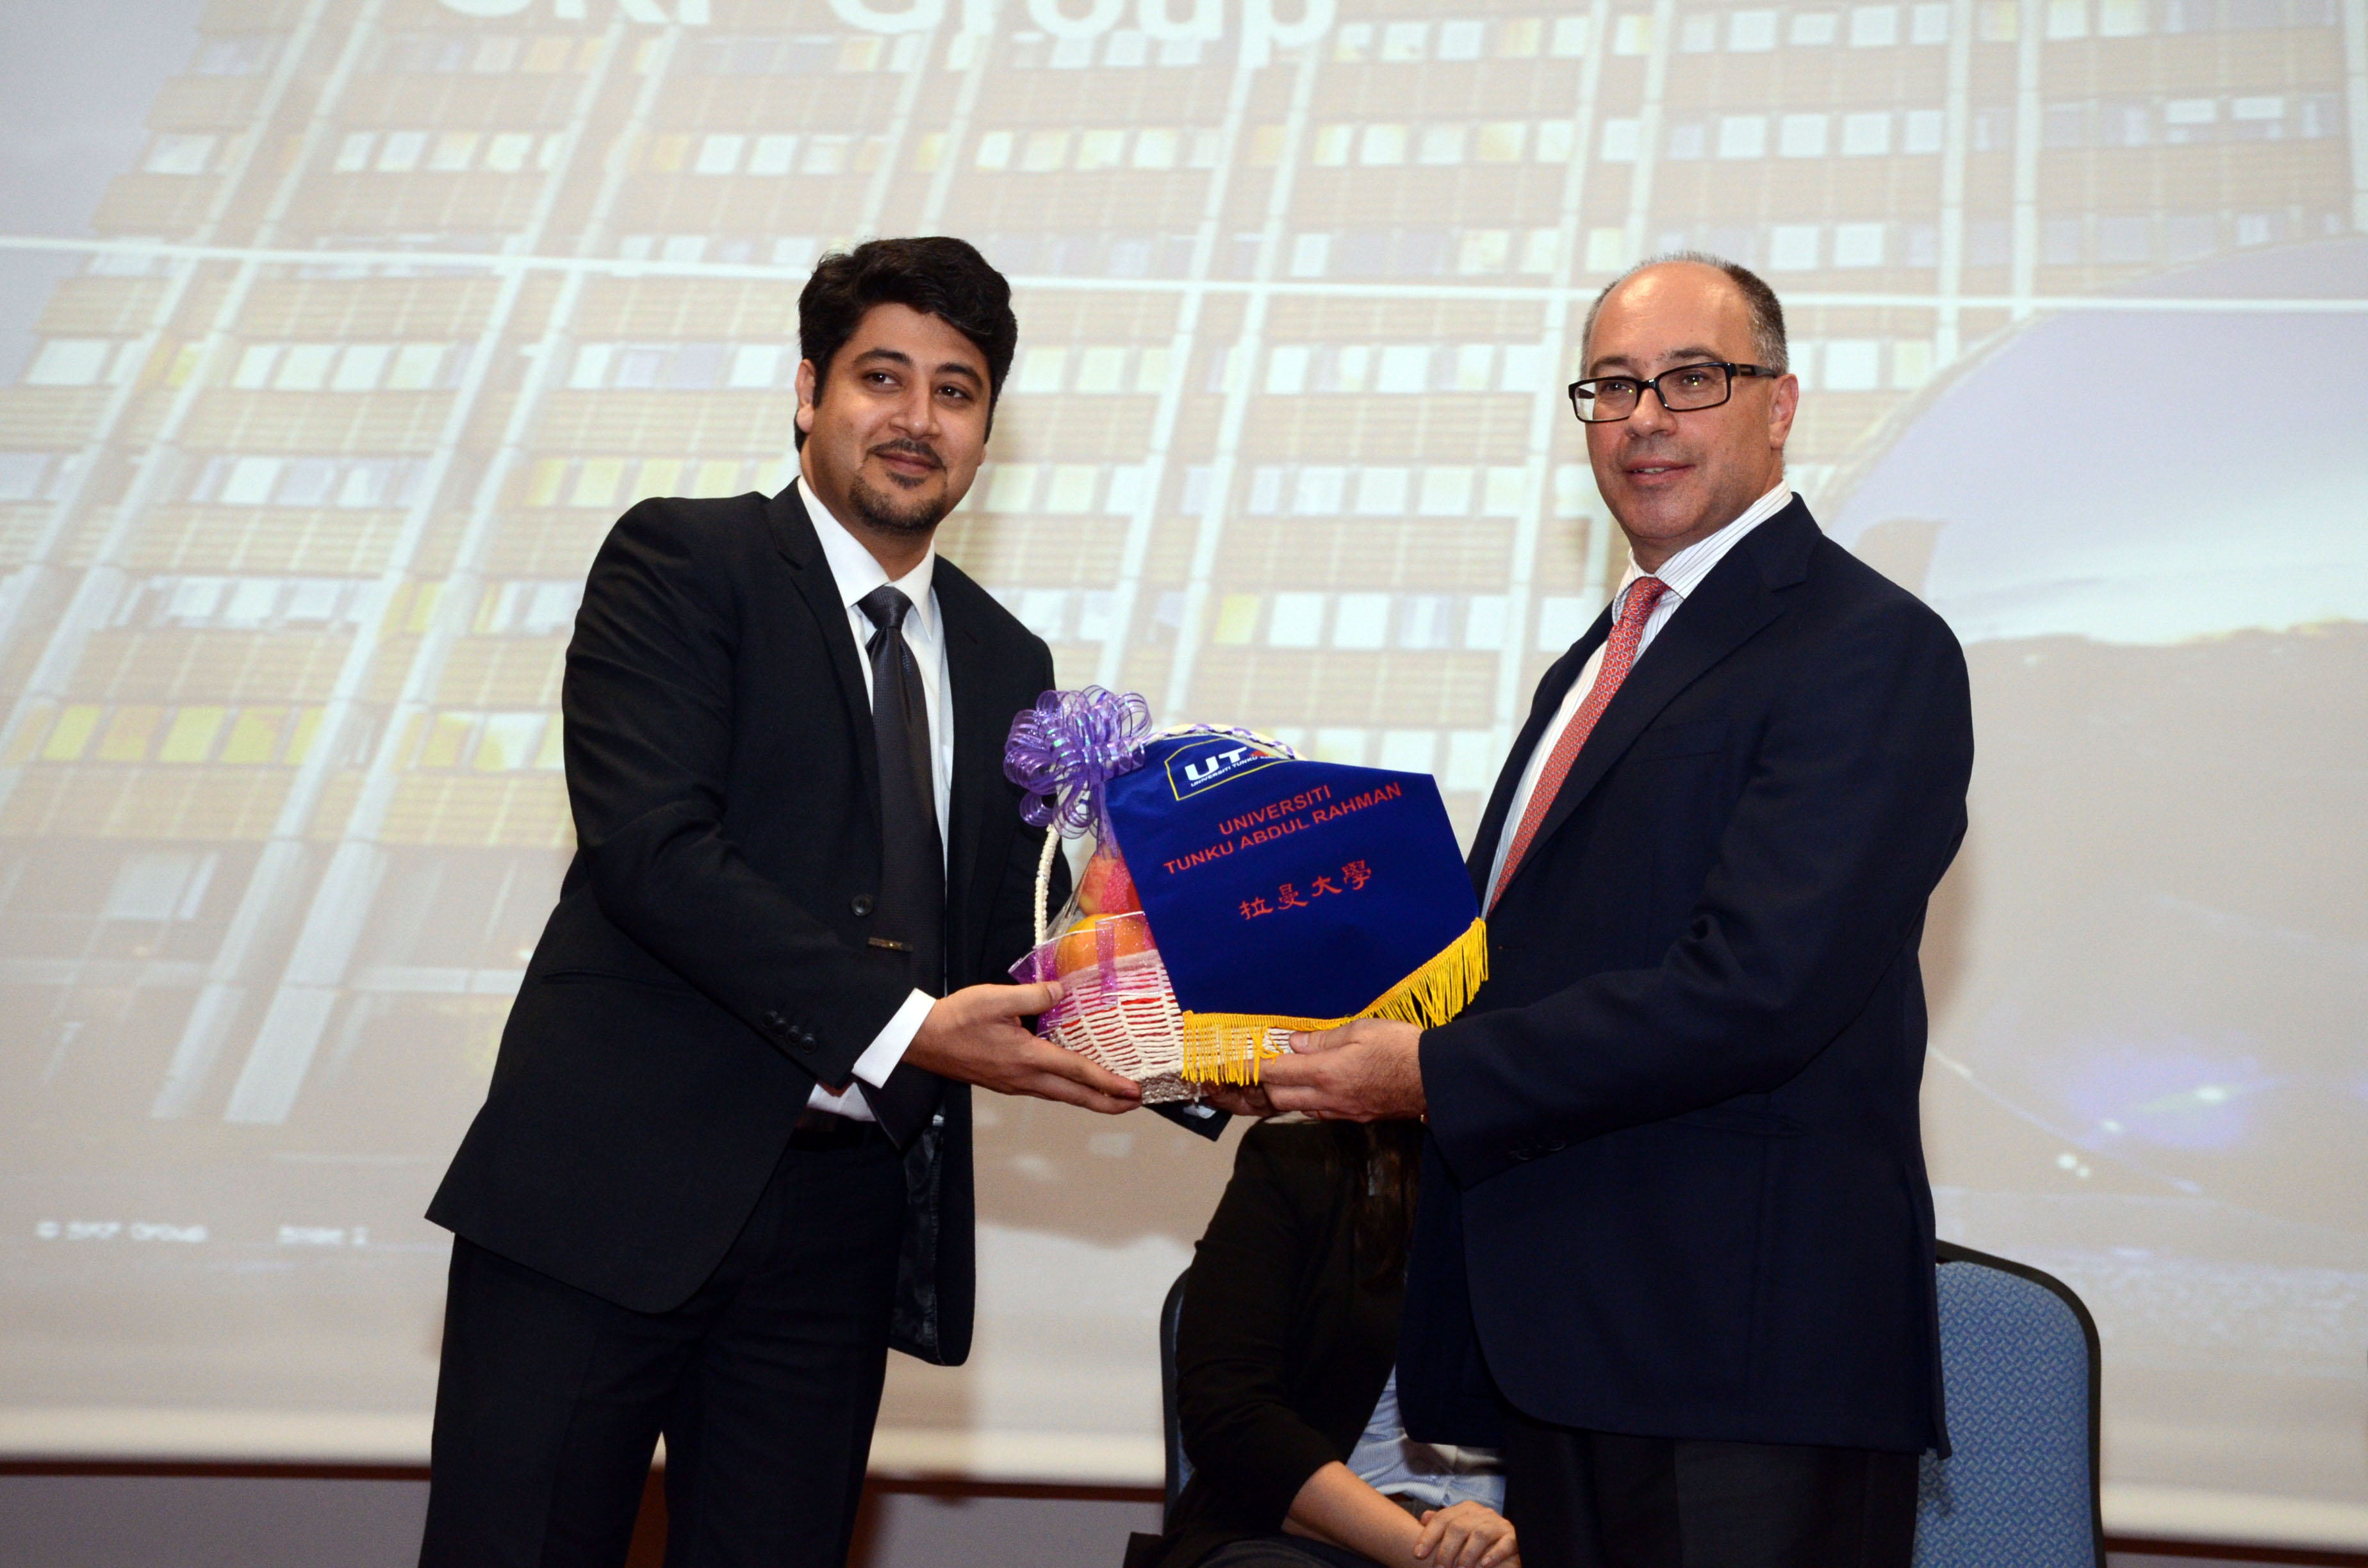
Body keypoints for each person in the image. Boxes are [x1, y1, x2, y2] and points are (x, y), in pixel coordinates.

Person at [418, 236, 1140, 1568]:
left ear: (988, 428)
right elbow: (655, 853)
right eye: (884, 376)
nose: (918, 419)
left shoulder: (1004, 657)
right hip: (612, 1189)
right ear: (808, 392)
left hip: (842, 1224)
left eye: (959, 389)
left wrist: (1190, 1007)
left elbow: (994, 943)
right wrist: (912, 1029)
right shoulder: (684, 562)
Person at [1244, 255, 1976, 1567]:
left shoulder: (1870, 648)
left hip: (1740, 1364)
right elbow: (1506, 963)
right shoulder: (1600, 660)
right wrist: (1267, 1021)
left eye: (1693, 380)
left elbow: (1760, 988)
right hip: (1573, 1352)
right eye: (1614, 387)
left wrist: (1424, 1070)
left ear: (1781, 402)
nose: (1645, 418)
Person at [1127, 1118, 1520, 1568]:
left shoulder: (1585, 1186)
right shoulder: (1300, 1159)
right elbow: (1229, 1414)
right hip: (1302, 1541)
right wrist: (1430, 1556)